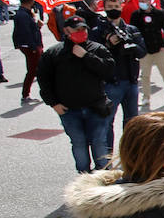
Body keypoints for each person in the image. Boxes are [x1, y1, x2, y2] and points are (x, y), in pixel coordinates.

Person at [39, 15, 115, 173]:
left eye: (83, 29)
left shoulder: (96, 48)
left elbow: (108, 71)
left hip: (96, 107)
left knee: (99, 142)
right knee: (79, 143)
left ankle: (105, 176)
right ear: (66, 31)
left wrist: (86, 56)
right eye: (76, 29)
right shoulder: (54, 53)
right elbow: (44, 80)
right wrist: (53, 103)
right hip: (69, 110)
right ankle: (83, 177)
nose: (81, 32)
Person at [90, 0, 147, 151]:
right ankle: (107, 156)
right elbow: (93, 55)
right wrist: (108, 43)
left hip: (131, 81)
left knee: (132, 122)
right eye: (110, 7)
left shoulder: (131, 29)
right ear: (104, 8)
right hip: (110, 83)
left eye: (116, 6)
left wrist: (131, 45)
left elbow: (143, 51)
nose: (113, 9)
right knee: (107, 121)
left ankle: (130, 154)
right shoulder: (97, 30)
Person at [132, 0, 164, 108]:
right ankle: (146, 98)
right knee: (145, 76)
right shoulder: (136, 15)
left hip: (159, 49)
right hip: (144, 51)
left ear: (149, 0)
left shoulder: (159, 13)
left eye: (143, 1)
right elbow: (133, 32)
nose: (141, 4)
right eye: (140, 2)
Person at [11, 0, 44, 104]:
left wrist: (37, 26)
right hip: (30, 46)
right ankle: (26, 95)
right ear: (29, 2)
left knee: (36, 70)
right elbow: (26, 32)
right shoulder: (22, 15)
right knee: (33, 70)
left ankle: (29, 94)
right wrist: (33, 46)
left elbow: (31, 30)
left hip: (31, 45)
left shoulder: (26, 13)